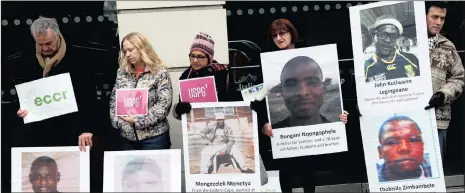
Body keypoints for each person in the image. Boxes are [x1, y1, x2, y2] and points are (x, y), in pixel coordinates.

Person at [250, 18, 348, 193]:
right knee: (285, 169)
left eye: (283, 33)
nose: (279, 38)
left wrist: (342, 114)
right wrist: (264, 122)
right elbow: (258, 99)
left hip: (311, 135)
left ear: (291, 34)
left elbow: (340, 96)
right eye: (274, 35)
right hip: (283, 133)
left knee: (307, 169)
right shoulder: (268, 64)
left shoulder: (311, 56)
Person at [173, 32, 269, 184]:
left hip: (228, 141)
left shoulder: (223, 73)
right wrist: (179, 110)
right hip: (207, 140)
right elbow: (181, 113)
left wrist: (251, 107)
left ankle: (245, 171)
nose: (195, 60)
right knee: (204, 155)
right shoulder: (185, 77)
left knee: (240, 153)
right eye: (192, 56)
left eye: (200, 56)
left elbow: (236, 101)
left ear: (209, 57)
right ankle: (201, 180)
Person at [14, 16, 96, 149]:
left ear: (57, 36)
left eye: (48, 43)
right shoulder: (26, 59)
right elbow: (20, 95)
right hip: (38, 133)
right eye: (40, 44)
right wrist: (20, 109)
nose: (44, 48)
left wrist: (88, 128)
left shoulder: (78, 57)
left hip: (71, 131)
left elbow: (88, 96)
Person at [109, 32, 173, 150]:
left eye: (131, 50)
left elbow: (164, 105)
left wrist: (138, 120)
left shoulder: (159, 72)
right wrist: (118, 123)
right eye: (124, 51)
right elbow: (114, 101)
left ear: (142, 49)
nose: (127, 54)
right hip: (127, 139)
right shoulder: (122, 73)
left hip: (154, 138)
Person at [423, 2, 464, 159]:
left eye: (442, 18)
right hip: (407, 118)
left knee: (435, 169)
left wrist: (443, 95)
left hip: (438, 120)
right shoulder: (405, 45)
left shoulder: (448, 47)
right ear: (423, 16)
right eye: (434, 17)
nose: (439, 22)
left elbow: (459, 78)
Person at [273, 56, 338, 129]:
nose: (303, 92)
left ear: (323, 88)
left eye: (312, 82)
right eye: (291, 84)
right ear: (282, 92)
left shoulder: (340, 133)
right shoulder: (271, 135)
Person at [364, 15, 420, 82]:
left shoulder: (412, 59)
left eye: (393, 36)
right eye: (382, 35)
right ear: (373, 37)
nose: (388, 40)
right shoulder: (366, 69)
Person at [377, 116, 432, 182]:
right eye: (392, 142)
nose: (404, 148)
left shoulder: (435, 167)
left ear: (422, 146)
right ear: (380, 152)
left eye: (413, 140)